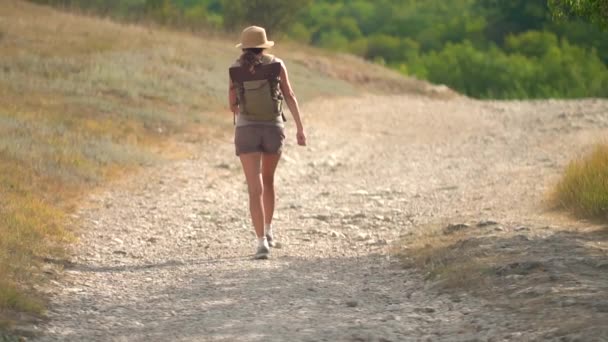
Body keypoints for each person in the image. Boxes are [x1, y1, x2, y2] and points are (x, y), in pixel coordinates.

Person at [228, 26, 307, 259]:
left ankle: (261, 242)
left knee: (255, 188)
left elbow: (232, 104)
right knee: (269, 180)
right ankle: (270, 230)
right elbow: (290, 96)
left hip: (246, 129)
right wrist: (300, 129)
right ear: (264, 46)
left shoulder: (234, 68)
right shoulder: (277, 65)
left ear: (243, 47)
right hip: (273, 127)